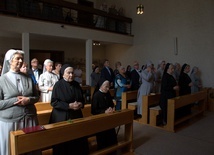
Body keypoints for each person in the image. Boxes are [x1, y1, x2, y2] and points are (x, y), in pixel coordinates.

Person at [0, 49, 40, 155]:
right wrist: (14, 100)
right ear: (10, 61)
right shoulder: (2, 80)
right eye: (18, 58)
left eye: (22, 59)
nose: (20, 61)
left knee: (29, 147)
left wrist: (28, 100)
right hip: (10, 121)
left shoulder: (28, 78)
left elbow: (36, 96)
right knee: (12, 149)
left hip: (29, 118)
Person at [49, 64, 89, 155]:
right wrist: (68, 106)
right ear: (63, 74)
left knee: (77, 141)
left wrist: (80, 104)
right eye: (68, 73)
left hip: (76, 115)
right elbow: (54, 102)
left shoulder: (76, 85)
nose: (71, 75)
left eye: (72, 73)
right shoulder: (58, 85)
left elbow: (82, 99)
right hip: (62, 116)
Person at [91, 77, 118, 150]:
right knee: (103, 140)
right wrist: (104, 111)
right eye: (106, 87)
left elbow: (111, 104)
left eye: (108, 86)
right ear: (101, 86)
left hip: (109, 119)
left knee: (112, 138)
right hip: (100, 121)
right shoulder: (96, 95)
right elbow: (93, 111)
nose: (108, 88)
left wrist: (112, 108)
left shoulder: (107, 93)